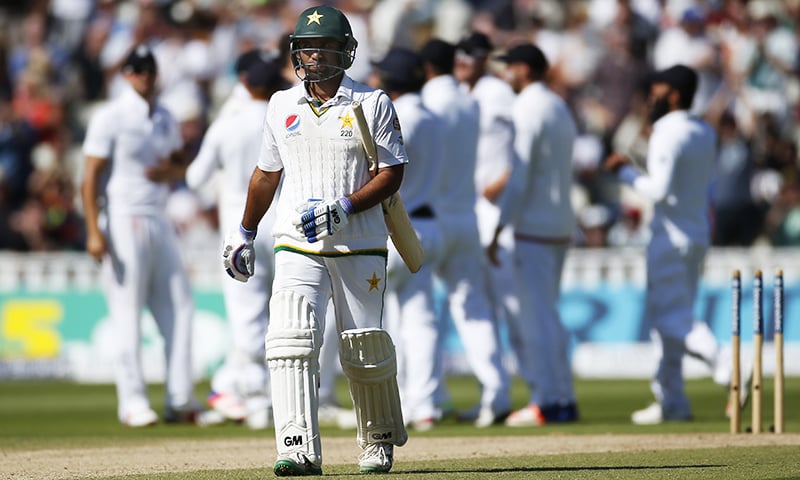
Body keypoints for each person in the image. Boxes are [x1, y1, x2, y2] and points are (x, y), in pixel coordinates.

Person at [221, 6, 407, 475]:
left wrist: (344, 206)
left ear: (345, 51)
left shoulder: (372, 102)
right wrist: (244, 231)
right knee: (289, 339)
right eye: (307, 48)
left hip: (359, 242)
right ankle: (298, 446)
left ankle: (377, 440)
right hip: (295, 243)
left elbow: (391, 174)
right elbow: (266, 175)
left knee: (361, 345)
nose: (314, 57)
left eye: (323, 47)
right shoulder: (281, 104)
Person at [80, 44, 212, 427]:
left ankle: (180, 397)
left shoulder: (166, 116)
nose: (144, 76)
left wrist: (168, 173)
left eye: (149, 69)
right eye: (137, 70)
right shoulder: (111, 116)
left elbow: (177, 165)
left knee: (180, 303)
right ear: (125, 75)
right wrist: (93, 230)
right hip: (122, 216)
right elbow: (89, 178)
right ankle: (133, 402)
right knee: (127, 310)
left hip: (158, 215)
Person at [603, 64, 720, 424]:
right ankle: (672, 400)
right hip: (696, 233)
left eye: (656, 91)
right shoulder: (704, 130)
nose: (650, 98)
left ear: (672, 95)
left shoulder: (667, 132)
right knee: (667, 319)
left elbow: (659, 190)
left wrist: (623, 171)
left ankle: (731, 367)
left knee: (671, 318)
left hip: (669, 239)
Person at [184, 54, 288, 429]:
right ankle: (275, 395)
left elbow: (195, 178)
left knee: (247, 317)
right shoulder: (284, 116)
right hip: (282, 223)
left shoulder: (227, 124)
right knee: (283, 314)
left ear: (244, 83)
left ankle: (258, 399)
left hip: (240, 228)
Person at [419, 38, 512, 428]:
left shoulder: (428, 103)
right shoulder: (469, 102)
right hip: (465, 217)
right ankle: (497, 393)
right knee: (473, 311)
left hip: (430, 217)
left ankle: (428, 401)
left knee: (417, 313)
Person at [489, 43, 580, 426]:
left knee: (536, 318)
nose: (505, 73)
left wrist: (499, 227)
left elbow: (521, 175)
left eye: (509, 67)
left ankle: (545, 401)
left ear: (524, 69)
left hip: (534, 228)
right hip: (559, 224)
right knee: (549, 315)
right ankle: (563, 398)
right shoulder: (558, 104)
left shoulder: (527, 107)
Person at [370, 47, 446, 431]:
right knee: (420, 319)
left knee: (384, 320)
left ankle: (392, 404)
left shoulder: (404, 116)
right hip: (431, 222)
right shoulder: (433, 117)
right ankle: (426, 404)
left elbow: (379, 171)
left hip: (399, 223)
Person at [453, 31, 519, 379]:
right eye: (460, 54)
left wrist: (505, 177)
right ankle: (495, 390)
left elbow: (526, 141)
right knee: (480, 306)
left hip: (498, 206)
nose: (463, 61)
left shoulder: (498, 92)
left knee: (513, 305)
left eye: (472, 54)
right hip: (469, 208)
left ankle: (546, 395)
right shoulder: (458, 94)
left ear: (485, 58)